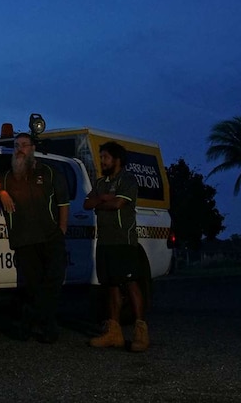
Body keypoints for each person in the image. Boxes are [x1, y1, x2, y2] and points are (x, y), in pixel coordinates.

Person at [0, 132, 69, 343]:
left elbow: (63, 203)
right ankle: (39, 325)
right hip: (24, 239)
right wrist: (2, 193)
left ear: (32, 148)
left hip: (50, 237)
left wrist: (62, 229)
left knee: (53, 282)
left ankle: (40, 322)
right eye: (16, 145)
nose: (20, 149)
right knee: (32, 285)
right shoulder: (7, 176)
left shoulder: (48, 172)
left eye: (24, 145)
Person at [84, 140, 149, 352]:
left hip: (124, 241)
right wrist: (103, 197)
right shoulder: (101, 183)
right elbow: (87, 203)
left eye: (105, 157)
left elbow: (118, 203)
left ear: (117, 159)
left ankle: (140, 331)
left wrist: (101, 201)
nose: (102, 161)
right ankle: (114, 332)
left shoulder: (128, 179)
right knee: (110, 285)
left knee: (130, 284)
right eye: (101, 157)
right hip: (105, 241)